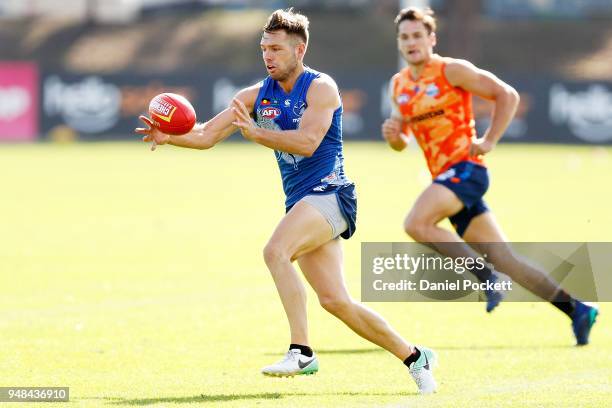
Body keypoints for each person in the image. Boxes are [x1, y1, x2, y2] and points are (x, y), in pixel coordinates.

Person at [136, 9, 438, 394]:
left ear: (300, 49)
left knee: (275, 251)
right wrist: (170, 138)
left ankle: (302, 350)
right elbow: (207, 135)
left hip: (331, 195)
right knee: (336, 301)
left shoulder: (321, 88)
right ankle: (415, 356)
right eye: (264, 47)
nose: (268, 55)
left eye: (277, 48)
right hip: (303, 203)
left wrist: (258, 135)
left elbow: (309, 142)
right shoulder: (253, 96)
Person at [382, 7, 598, 345]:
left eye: (417, 35)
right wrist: (395, 136)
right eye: (405, 37)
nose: (411, 42)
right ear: (399, 42)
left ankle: (486, 277)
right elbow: (401, 143)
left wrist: (489, 140)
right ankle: (576, 309)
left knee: (416, 224)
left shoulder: (451, 70)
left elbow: (506, 95)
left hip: (467, 170)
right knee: (506, 258)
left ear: (431, 39)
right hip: (446, 179)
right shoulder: (399, 85)